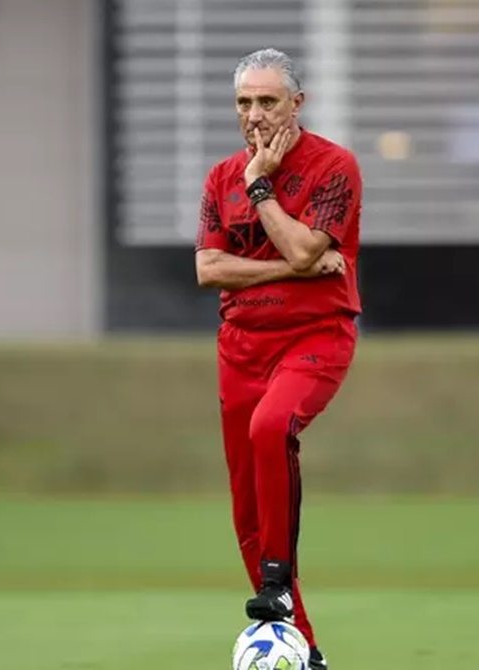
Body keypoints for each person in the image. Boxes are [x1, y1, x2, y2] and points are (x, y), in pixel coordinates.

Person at [194, 47, 362, 670]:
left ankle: (274, 579)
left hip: (315, 336)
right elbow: (208, 270)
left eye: (268, 101)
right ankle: (306, 651)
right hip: (240, 348)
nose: (256, 116)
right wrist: (290, 267)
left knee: (272, 428)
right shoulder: (218, 178)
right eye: (244, 103)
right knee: (247, 508)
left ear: (297, 102)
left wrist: (261, 187)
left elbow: (301, 247)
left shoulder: (333, 167)